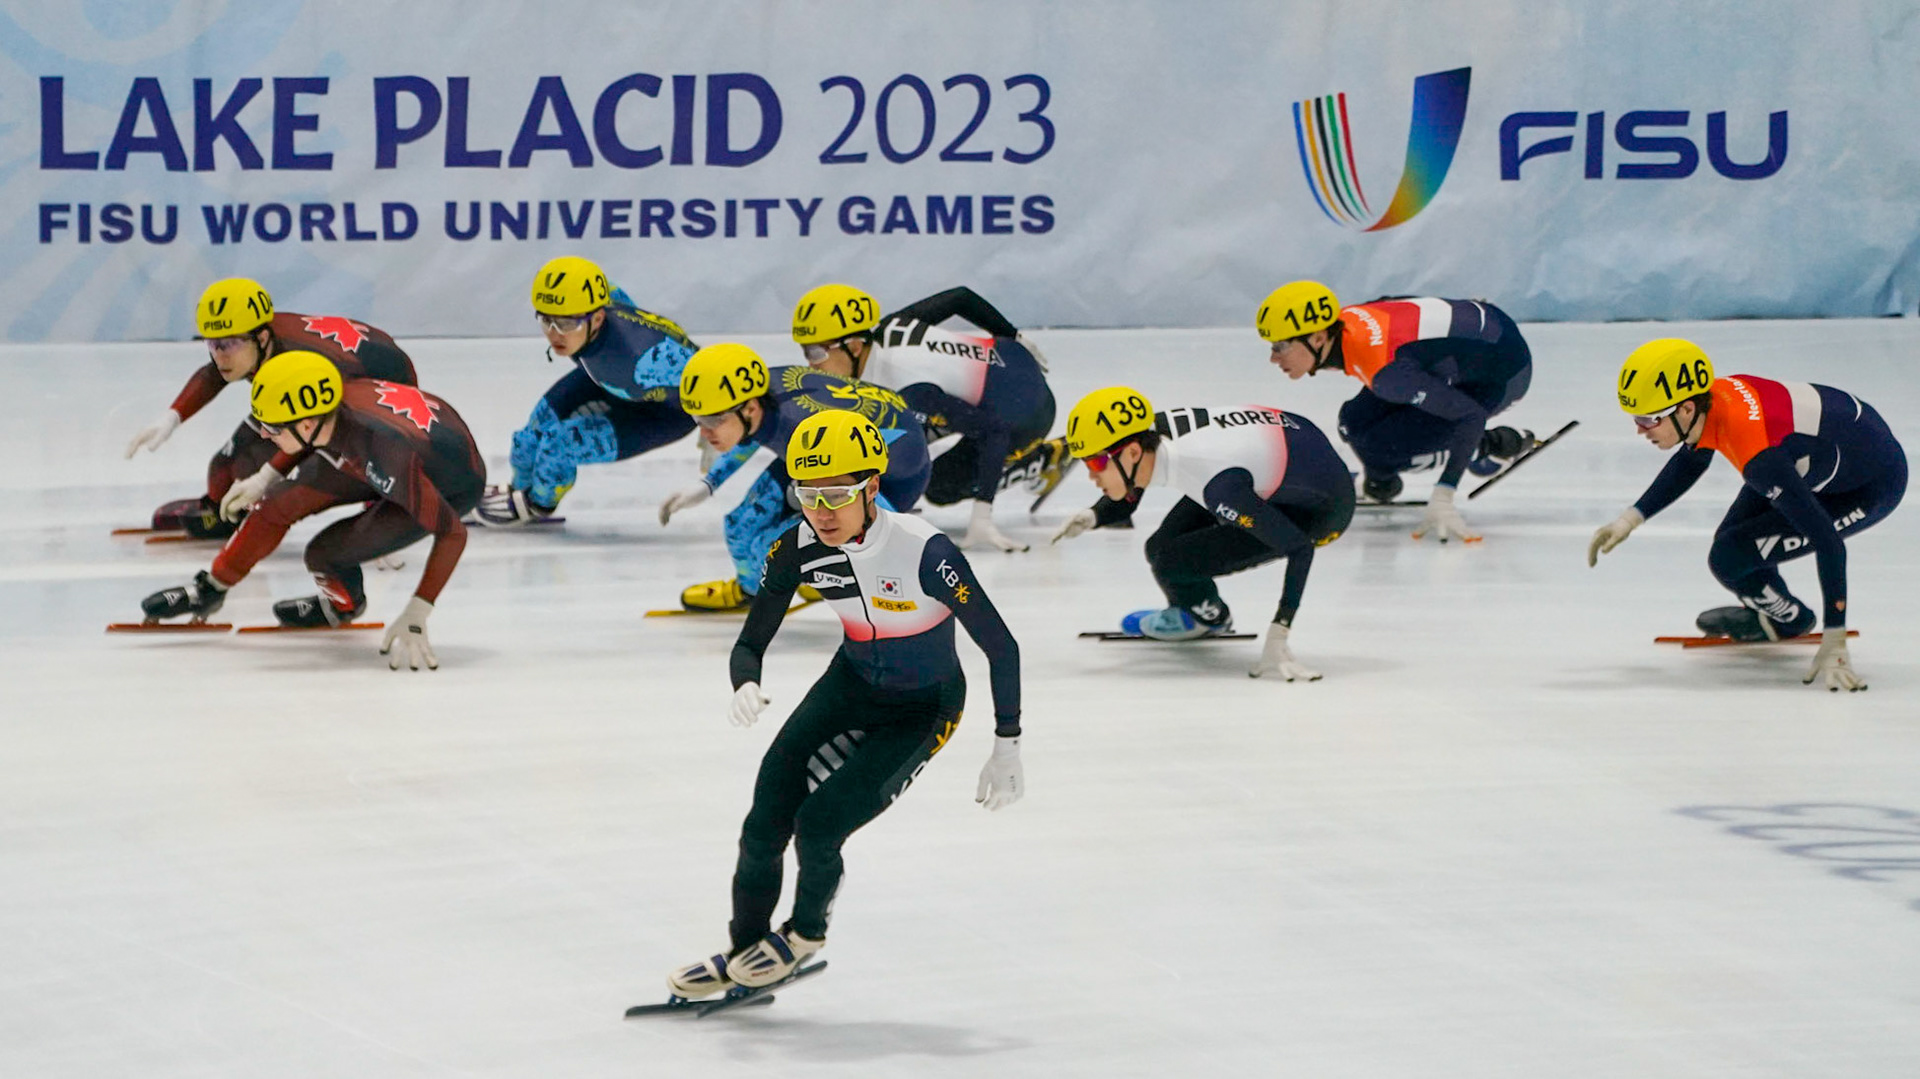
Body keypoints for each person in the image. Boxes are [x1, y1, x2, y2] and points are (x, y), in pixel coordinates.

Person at [665, 410, 1023, 998]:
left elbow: (1001, 647)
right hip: (851, 684)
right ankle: (743, 946)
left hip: (924, 707)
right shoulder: (798, 545)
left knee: (820, 827)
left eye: (836, 495)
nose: (821, 512)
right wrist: (745, 682)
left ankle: (804, 936)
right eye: (807, 495)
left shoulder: (925, 552)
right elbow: (751, 641)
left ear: (872, 488)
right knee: (763, 822)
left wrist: (1006, 744)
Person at [1588, 339, 1906, 692]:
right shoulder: (1715, 401)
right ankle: (1778, 613)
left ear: (1686, 409)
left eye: (1648, 419)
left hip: (1869, 486)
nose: (1639, 429)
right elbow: (1693, 458)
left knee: (1730, 556)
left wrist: (1835, 639)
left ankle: (1791, 620)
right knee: (1734, 542)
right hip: (1817, 454)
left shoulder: (1758, 456)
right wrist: (1630, 518)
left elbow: (1828, 544)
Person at [138, 352, 485, 669]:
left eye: (270, 428)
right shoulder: (327, 415)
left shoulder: (382, 453)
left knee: (323, 555)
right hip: (388, 451)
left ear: (305, 425)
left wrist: (418, 609)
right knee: (276, 503)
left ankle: (343, 606)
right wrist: (264, 478)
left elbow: (452, 531)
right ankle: (211, 588)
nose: (265, 436)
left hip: (446, 483)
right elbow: (300, 435)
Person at [1051, 387, 1352, 679]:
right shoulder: (1147, 434)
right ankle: (1196, 607)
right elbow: (1129, 487)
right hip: (1283, 453)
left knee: (1171, 561)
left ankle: (1205, 617)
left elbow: (1299, 548)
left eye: (1096, 462)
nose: (1091, 475)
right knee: (1159, 547)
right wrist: (1096, 514)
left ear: (1131, 452)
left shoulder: (1216, 484)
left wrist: (1279, 631)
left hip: (1319, 511)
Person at [124, 277, 418, 538]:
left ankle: (387, 490)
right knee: (225, 469)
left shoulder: (296, 359)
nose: (219, 356)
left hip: (377, 393)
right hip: (315, 390)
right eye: (212, 344)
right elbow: (213, 373)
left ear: (262, 338)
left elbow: (311, 431)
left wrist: (266, 477)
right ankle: (221, 510)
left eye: (227, 345)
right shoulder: (254, 342)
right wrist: (172, 417)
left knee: (308, 475)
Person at [789, 282, 1066, 552]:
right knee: (894, 433)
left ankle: (1041, 460)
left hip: (1026, 412)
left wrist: (982, 516)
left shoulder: (909, 386)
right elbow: (960, 297)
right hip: (1010, 358)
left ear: (855, 346)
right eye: (806, 351)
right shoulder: (887, 327)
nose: (810, 362)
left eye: (816, 351)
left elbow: (994, 431)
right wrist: (1015, 337)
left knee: (939, 487)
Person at [1256, 280, 1535, 541]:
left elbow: (1470, 415)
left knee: (1383, 446)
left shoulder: (1386, 372)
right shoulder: (1349, 318)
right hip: (1484, 333)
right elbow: (1403, 306)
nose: (1272, 358)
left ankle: (1492, 445)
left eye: (1281, 346)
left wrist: (1444, 493)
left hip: (1504, 375)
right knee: (1352, 423)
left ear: (1318, 339)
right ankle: (1381, 482)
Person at [660, 343, 931, 610]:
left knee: (769, 548)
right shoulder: (762, 398)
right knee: (738, 527)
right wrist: (708, 484)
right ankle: (751, 590)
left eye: (712, 421)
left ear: (750, 408)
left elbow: (864, 499)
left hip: (889, 480)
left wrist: (877, 542)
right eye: (698, 420)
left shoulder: (797, 425)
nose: (704, 433)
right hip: (827, 449)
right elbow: (752, 432)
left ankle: (820, 574)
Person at [474, 256, 698, 525]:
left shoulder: (641, 358)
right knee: (526, 441)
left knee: (559, 445)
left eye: (567, 323)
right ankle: (520, 490)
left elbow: (708, 374)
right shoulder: (600, 301)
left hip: (666, 414)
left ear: (599, 317)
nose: (555, 334)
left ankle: (537, 505)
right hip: (606, 380)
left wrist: (716, 419)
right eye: (546, 320)